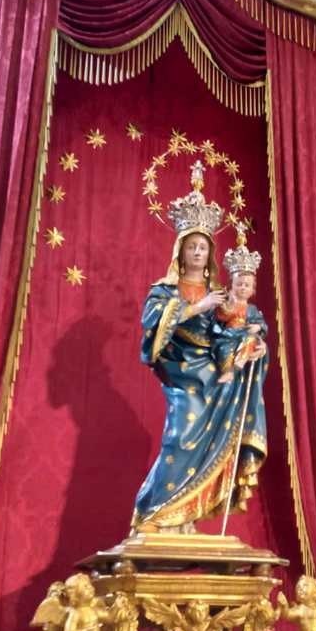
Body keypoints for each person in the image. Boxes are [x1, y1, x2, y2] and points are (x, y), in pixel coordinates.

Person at [131, 162, 268, 532]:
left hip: (214, 376)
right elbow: (152, 330)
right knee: (179, 439)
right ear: (180, 251)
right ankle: (154, 512)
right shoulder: (165, 290)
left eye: (202, 248)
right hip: (182, 376)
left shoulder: (221, 296)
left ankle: (182, 517)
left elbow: (231, 333)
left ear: (210, 254)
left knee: (206, 447)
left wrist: (251, 349)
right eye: (191, 246)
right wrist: (194, 307)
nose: (197, 253)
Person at [213, 228, 267, 384]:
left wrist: (258, 328)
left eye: (247, 285)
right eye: (239, 284)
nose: (243, 287)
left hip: (244, 336)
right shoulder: (225, 302)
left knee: (250, 341)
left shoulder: (252, 309)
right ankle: (226, 370)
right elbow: (218, 319)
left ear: (252, 290)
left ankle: (235, 369)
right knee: (224, 350)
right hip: (227, 337)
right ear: (231, 285)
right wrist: (225, 309)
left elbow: (262, 324)